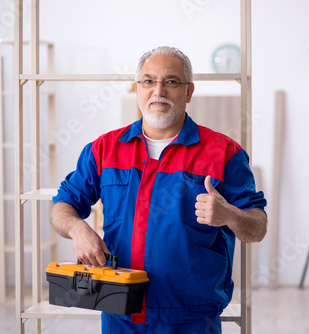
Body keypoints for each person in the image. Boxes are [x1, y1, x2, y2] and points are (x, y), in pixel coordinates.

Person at [50, 46, 267, 334]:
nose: (158, 91)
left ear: (188, 92)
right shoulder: (104, 150)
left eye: (171, 82)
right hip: (120, 312)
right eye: (148, 81)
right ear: (137, 89)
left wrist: (230, 216)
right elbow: (62, 206)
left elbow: (258, 227)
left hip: (192, 319)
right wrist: (78, 230)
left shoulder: (224, 153)